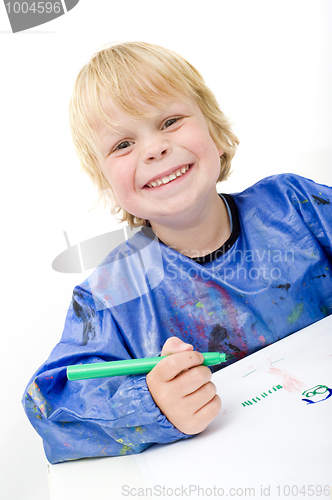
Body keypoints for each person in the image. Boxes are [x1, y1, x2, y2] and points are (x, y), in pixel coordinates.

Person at [22, 41, 332, 464]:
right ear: (106, 182)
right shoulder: (111, 296)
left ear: (216, 133)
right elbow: (50, 408)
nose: (153, 149)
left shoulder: (296, 205)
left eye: (170, 121)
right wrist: (151, 404)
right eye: (122, 145)